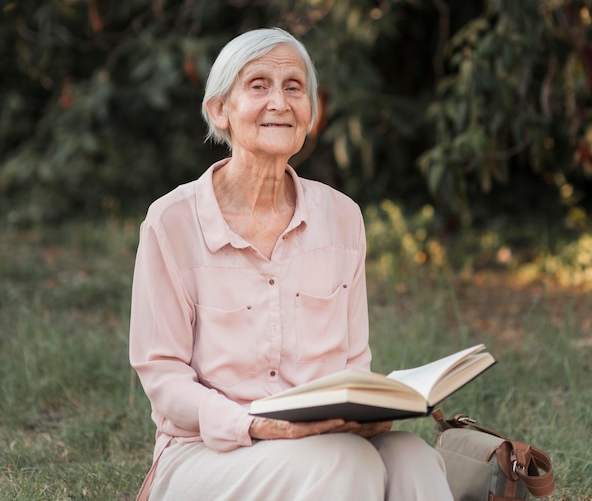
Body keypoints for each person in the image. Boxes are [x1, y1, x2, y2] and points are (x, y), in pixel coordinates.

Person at [129, 27, 453, 500]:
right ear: (220, 109)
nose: (279, 102)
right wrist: (259, 426)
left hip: (326, 440)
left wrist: (370, 409)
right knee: (345, 461)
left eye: (294, 87)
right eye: (258, 85)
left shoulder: (342, 217)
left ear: (310, 113)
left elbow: (354, 363)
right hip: (205, 452)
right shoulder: (171, 222)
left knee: (413, 457)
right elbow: (163, 378)